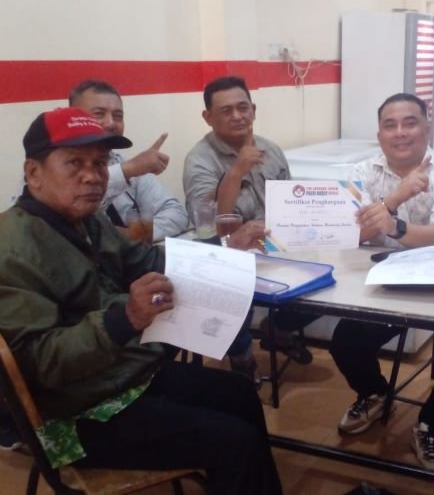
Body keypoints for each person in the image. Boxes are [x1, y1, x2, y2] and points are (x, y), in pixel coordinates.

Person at [0, 107, 282, 495]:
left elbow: (149, 263)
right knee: (235, 442)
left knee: (240, 394)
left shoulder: (88, 221)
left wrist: (226, 246)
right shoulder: (12, 250)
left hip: (121, 376)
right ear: (33, 173)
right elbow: (40, 364)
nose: (92, 176)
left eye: (100, 163)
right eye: (75, 163)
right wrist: (125, 318)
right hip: (73, 414)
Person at [329, 93, 434, 471]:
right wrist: (396, 198)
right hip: (385, 279)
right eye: (390, 125)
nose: (400, 132)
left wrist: (393, 226)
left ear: (427, 127)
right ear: (379, 134)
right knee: (345, 339)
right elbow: (349, 234)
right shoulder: (361, 172)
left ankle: (432, 423)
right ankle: (375, 393)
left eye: (410, 123)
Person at [183, 75, 315, 364]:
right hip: (228, 252)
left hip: (277, 244)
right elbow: (208, 225)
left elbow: (291, 204)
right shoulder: (199, 159)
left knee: (328, 277)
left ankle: (278, 329)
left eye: (243, 108)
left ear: (253, 110)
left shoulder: (271, 150)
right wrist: (236, 172)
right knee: (230, 288)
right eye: (226, 110)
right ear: (208, 118)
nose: (237, 116)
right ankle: (242, 358)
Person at [69, 80, 189, 242]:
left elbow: (177, 214)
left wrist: (131, 236)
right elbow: (77, 224)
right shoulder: (58, 169)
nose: (111, 123)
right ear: (72, 118)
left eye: (118, 116)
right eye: (99, 114)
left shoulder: (125, 163)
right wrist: (127, 170)